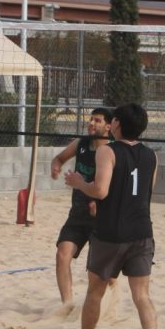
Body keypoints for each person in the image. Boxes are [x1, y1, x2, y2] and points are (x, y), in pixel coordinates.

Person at [64, 103, 161, 329]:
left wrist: (79, 183)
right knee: (142, 295)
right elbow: (146, 191)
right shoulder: (151, 155)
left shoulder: (107, 151)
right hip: (142, 231)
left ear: (115, 123)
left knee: (95, 292)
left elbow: (101, 190)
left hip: (111, 233)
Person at [50, 107, 114, 305]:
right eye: (91, 119)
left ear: (108, 126)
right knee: (62, 255)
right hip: (77, 215)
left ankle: (110, 303)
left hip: (102, 219)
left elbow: (118, 186)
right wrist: (56, 166)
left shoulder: (113, 150)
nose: (91, 123)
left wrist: (100, 203)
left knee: (100, 272)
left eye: (97, 120)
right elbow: (59, 158)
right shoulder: (81, 143)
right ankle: (67, 305)